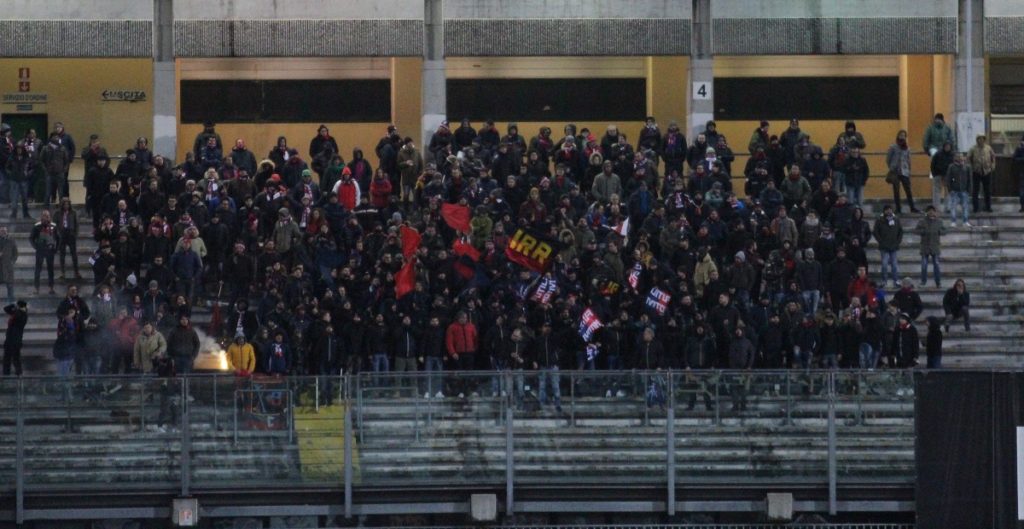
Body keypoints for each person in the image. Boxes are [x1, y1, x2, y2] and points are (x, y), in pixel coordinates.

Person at [886, 130, 918, 214]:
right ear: (898, 136)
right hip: (895, 171)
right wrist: (891, 167)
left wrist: (909, 170)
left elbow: (908, 160)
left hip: (904, 171)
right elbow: (888, 159)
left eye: (904, 135)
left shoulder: (907, 148)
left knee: (908, 189)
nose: (902, 136)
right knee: (896, 190)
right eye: (901, 135)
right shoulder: (893, 147)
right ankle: (898, 208)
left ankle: (912, 207)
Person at [872, 204, 903, 288]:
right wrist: (881, 242)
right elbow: (875, 232)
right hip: (884, 246)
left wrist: (897, 242)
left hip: (894, 246)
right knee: (884, 265)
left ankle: (896, 281)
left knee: (894, 265)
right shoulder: (879, 220)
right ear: (884, 211)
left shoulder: (896, 220)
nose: (889, 211)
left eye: (890, 209)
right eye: (887, 210)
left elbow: (900, 231)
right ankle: (884, 281)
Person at [30, 210, 59, 295]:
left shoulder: (54, 226)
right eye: (44, 216)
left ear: (49, 217)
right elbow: (31, 238)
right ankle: (36, 288)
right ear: (41, 216)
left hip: (50, 250)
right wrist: (36, 247)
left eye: (47, 216)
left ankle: (51, 287)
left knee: (50, 270)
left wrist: (56, 248)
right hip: (40, 250)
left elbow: (58, 238)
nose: (46, 217)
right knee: (38, 270)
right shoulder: (37, 226)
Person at [915, 205, 946, 287]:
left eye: (933, 211)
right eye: (930, 211)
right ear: (927, 212)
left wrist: (939, 231)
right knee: (924, 266)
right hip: (925, 247)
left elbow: (945, 231)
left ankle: (938, 282)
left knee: (936, 265)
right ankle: (923, 282)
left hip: (935, 246)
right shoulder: (922, 221)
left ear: (935, 212)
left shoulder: (939, 221)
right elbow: (916, 230)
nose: (931, 212)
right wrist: (923, 231)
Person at [967, 134, 996, 214]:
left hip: (987, 171)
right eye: (979, 139)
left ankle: (988, 207)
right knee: (975, 190)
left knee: (987, 190)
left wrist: (993, 166)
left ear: (984, 140)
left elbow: (993, 157)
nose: (981, 140)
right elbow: (968, 158)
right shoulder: (973, 148)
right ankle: (975, 208)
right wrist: (971, 167)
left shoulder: (988, 148)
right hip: (976, 171)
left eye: (982, 139)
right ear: (977, 140)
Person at [39, 131, 70, 207]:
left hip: (60, 173)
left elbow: (66, 160)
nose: (56, 138)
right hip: (49, 173)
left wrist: (64, 170)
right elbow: (41, 160)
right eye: (55, 136)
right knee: (48, 192)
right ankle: (46, 208)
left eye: (57, 137)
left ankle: (61, 208)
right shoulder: (45, 148)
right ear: (51, 138)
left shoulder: (63, 148)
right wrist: (45, 169)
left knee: (61, 192)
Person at [55, 198, 81, 280]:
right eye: (65, 204)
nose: (66, 206)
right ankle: (62, 272)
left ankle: (76, 272)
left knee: (74, 254)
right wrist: (57, 234)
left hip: (71, 234)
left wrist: (75, 234)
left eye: (68, 204)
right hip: (62, 234)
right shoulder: (57, 213)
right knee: (62, 255)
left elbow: (76, 224)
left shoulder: (73, 212)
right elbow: (55, 224)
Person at [945, 151, 972, 226]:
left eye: (961, 156)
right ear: (955, 158)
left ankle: (965, 221)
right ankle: (953, 221)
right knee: (953, 207)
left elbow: (970, 179)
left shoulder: (967, 167)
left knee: (965, 207)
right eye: (958, 156)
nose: (960, 158)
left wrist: (969, 190)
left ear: (964, 157)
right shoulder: (951, 167)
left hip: (964, 190)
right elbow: (948, 178)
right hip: (954, 190)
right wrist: (950, 189)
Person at [3, 300, 27, 376]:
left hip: (16, 340)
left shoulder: (22, 314)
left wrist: (16, 307)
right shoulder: (17, 312)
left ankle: (19, 374)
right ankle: (6, 374)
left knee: (15, 359)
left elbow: (17, 316)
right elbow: (6, 309)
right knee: (7, 358)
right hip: (10, 338)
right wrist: (13, 305)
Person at [928, 141, 954, 210]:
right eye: (946, 146)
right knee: (938, 190)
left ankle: (947, 207)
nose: (947, 147)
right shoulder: (939, 154)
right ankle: (936, 207)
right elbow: (933, 164)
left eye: (948, 146)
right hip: (938, 174)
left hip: (947, 175)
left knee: (947, 191)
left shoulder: (951, 155)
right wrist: (934, 174)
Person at [0, 227, 17, 304]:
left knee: (10, 285)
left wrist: (12, 262)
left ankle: (11, 301)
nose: (3, 232)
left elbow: (15, 253)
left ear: (7, 231)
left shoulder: (11, 240)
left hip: (8, 266)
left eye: (4, 231)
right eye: (1, 231)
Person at [1013, 138, 1024, 213]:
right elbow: (1014, 158)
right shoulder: (1019, 149)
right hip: (1022, 171)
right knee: (1022, 190)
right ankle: (1023, 207)